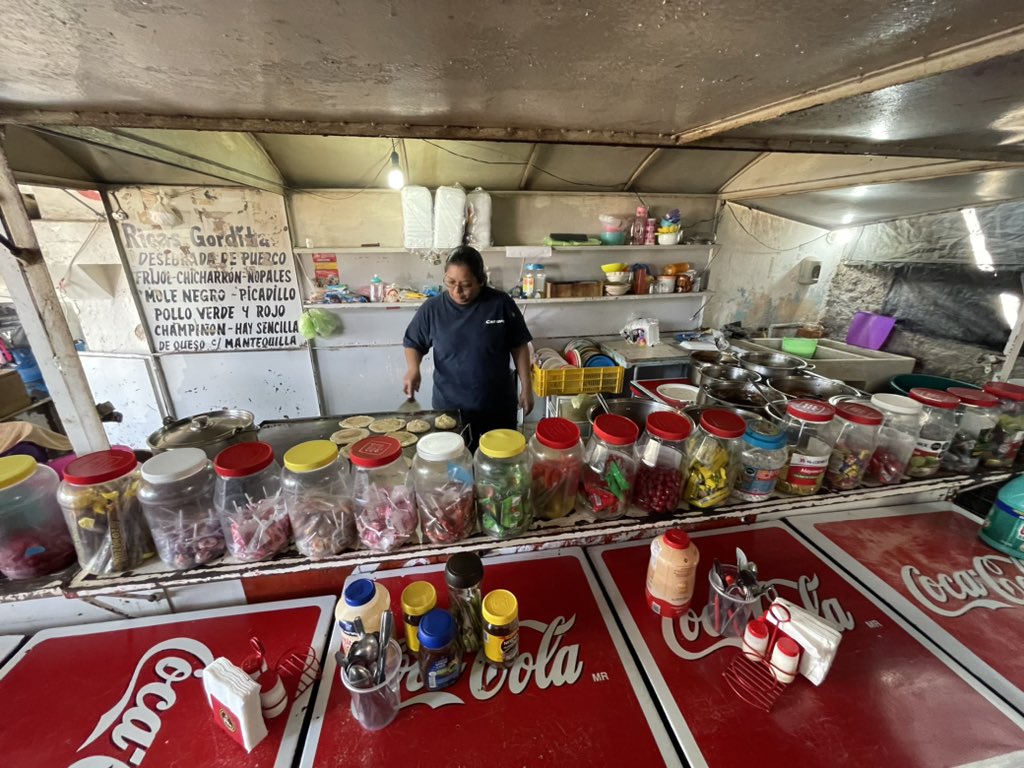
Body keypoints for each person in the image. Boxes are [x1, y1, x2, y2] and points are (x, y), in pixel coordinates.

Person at [403, 246, 533, 448]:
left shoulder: (500, 303)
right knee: (455, 461)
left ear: (481, 280)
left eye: (466, 285)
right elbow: (414, 343)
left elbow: (519, 346)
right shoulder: (432, 309)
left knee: (497, 461)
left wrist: (527, 386)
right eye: (450, 282)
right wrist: (413, 369)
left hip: (497, 406)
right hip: (450, 408)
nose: (457, 291)